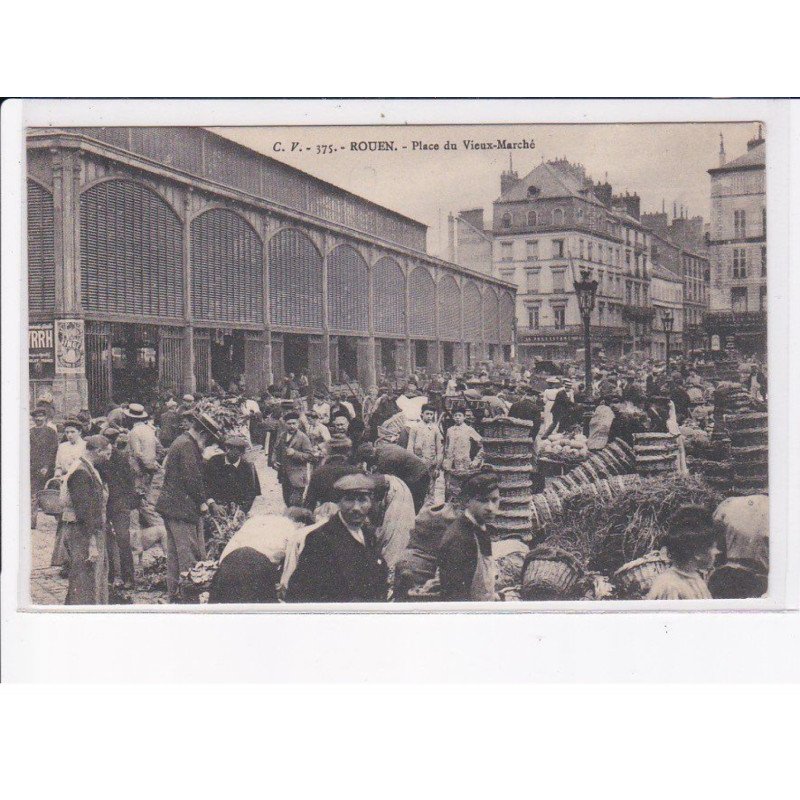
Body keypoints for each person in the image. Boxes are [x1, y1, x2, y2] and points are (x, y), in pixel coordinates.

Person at [286, 473, 388, 603]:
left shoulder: (368, 535)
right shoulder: (320, 539)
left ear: (371, 503)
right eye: (349, 500)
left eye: (362, 500)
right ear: (338, 502)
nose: (356, 508)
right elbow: (301, 592)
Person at [156, 412, 222, 602]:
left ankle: (175, 596)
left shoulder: (182, 442)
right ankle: (189, 599)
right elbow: (191, 478)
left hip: (173, 509)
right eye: (208, 439)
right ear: (202, 433)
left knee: (175, 557)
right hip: (182, 510)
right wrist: (203, 502)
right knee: (189, 558)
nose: (207, 444)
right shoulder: (187, 445)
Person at [60, 435, 113, 604]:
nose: (108, 457)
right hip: (82, 533)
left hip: (88, 531)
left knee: (89, 579)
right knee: (84, 580)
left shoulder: (88, 468)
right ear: (98, 451)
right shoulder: (81, 473)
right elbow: (84, 513)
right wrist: (91, 543)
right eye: (107, 453)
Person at [437, 470, 501, 601]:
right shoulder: (461, 539)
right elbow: (455, 597)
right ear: (466, 502)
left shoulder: (480, 527)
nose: (490, 507)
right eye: (483, 500)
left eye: (494, 500)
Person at [646, 505, 720, 600]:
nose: (716, 552)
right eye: (713, 547)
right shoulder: (670, 586)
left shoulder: (695, 578)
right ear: (697, 553)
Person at [97, 425, 138, 590]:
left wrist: (127, 503)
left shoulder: (121, 458)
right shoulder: (100, 459)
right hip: (107, 503)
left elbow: (130, 482)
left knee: (122, 539)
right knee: (108, 540)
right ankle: (113, 575)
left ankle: (128, 577)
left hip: (120, 503)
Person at [357, 439, 431, 514]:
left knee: (411, 504)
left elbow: (387, 483)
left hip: (418, 477)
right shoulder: (382, 448)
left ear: (371, 455)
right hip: (417, 471)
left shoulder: (384, 459)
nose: (368, 462)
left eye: (367, 460)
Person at [204, 434, 261, 515]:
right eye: (228, 449)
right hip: (215, 508)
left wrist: (242, 510)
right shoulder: (214, 461)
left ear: (242, 453)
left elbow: (251, 493)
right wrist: (213, 504)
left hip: (237, 510)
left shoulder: (247, 467)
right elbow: (205, 484)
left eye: (237, 452)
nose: (230, 453)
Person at [272, 411, 315, 507]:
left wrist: (295, 453)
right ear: (285, 424)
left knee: (295, 502)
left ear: (298, 424)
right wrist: (274, 461)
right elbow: (275, 449)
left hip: (298, 476)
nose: (291, 426)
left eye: (294, 423)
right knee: (287, 500)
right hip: (284, 474)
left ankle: (297, 520)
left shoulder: (303, 437)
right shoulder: (282, 435)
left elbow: (310, 456)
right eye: (289, 423)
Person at [30, 406, 59, 530]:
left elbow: (53, 450)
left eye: (41, 416)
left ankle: (59, 520)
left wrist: (47, 466)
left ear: (45, 417)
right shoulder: (30, 432)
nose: (38, 418)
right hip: (33, 467)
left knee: (52, 493)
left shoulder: (51, 432)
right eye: (36, 416)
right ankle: (32, 520)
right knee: (34, 495)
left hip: (48, 467)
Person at [125, 403, 160, 500]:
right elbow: (159, 447)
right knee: (146, 495)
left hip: (139, 469)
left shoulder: (134, 432)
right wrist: (152, 462)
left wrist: (144, 468)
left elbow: (137, 453)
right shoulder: (149, 429)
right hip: (150, 466)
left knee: (138, 496)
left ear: (131, 418)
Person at [407, 403, 443, 474]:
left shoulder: (435, 429)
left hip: (431, 462)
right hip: (418, 461)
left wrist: (437, 467)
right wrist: (411, 462)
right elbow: (410, 446)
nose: (429, 416)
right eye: (427, 414)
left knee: (431, 483)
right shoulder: (415, 428)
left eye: (431, 414)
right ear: (422, 414)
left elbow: (439, 449)